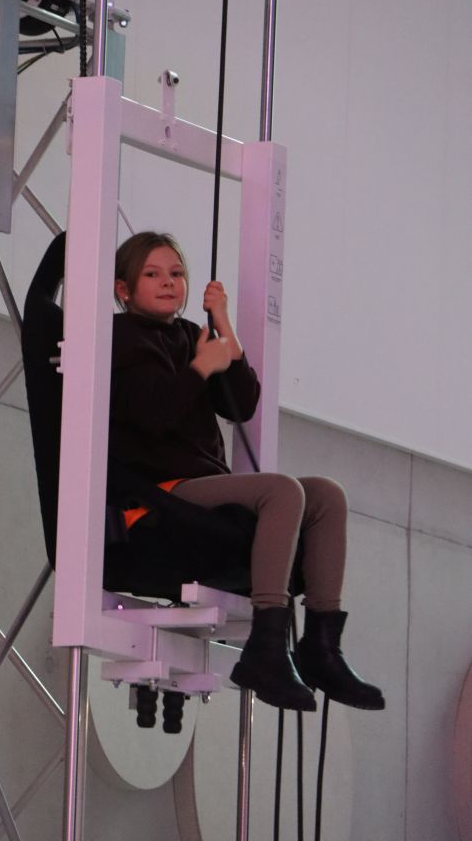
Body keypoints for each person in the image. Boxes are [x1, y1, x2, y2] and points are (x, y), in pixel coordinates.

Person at [109, 231, 384, 713]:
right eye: (152, 274)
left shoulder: (189, 334)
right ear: (124, 289)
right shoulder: (121, 337)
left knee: (325, 495)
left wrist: (224, 331)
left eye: (176, 273)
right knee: (281, 491)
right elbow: (153, 415)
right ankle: (266, 645)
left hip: (202, 487)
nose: (168, 282)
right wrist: (200, 367)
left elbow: (241, 405)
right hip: (161, 495)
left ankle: (321, 646)